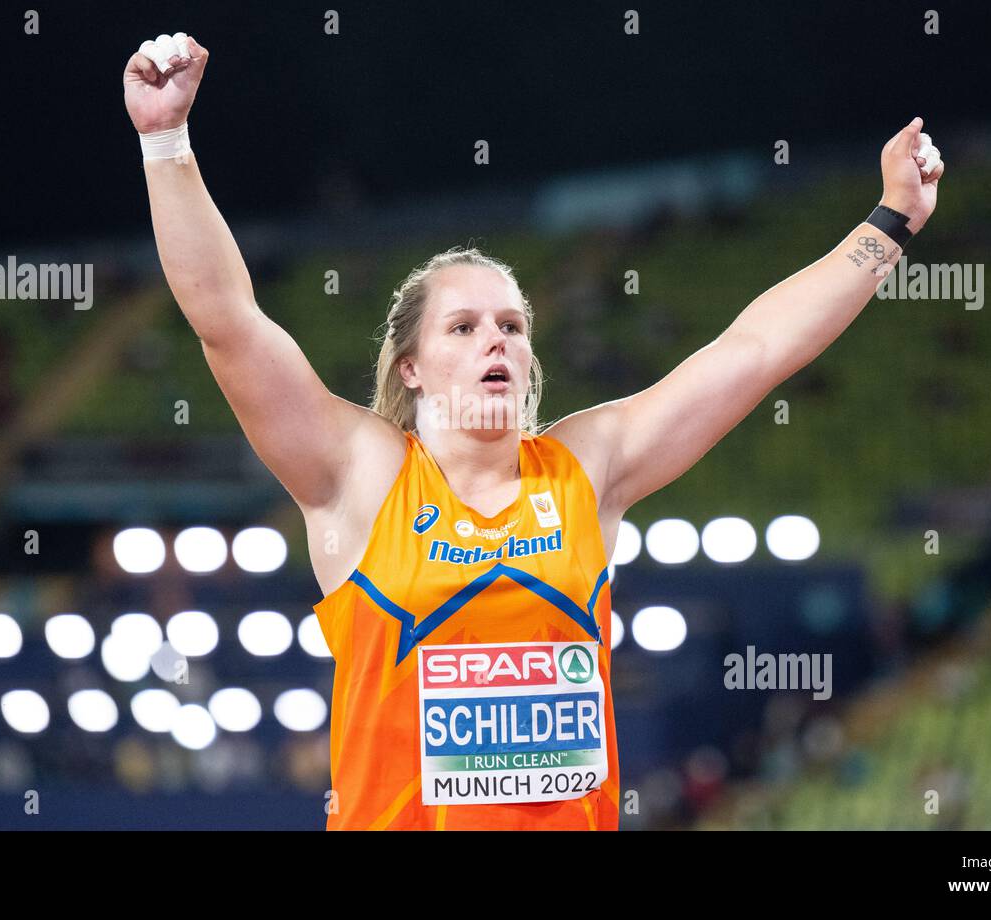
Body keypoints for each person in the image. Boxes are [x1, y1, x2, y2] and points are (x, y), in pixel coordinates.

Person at [122, 31, 946, 830]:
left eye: (513, 326)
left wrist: (892, 223)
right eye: (464, 327)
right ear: (408, 367)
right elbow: (228, 322)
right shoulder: (357, 475)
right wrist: (166, 144)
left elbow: (756, 351)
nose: (497, 342)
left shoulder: (588, 467)